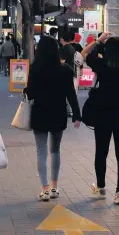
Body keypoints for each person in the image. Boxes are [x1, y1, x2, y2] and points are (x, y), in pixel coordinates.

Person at [82, 33, 119, 205]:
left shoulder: (102, 66)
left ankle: (101, 187)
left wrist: (99, 42)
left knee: (101, 152)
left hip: (103, 116)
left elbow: (84, 54)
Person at [24, 36, 81, 201]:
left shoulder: (35, 69)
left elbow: (31, 93)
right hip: (58, 113)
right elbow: (71, 95)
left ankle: (45, 188)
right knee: (55, 150)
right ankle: (55, 186)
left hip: (39, 113)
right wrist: (77, 115)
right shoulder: (64, 70)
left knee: (41, 151)